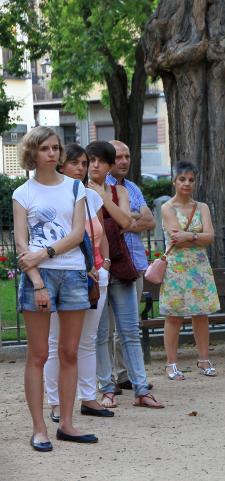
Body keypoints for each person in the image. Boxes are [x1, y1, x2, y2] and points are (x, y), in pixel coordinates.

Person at [12, 126, 97, 450]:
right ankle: (39, 429)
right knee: (38, 354)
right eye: (45, 148)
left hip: (73, 273)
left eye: (55, 147)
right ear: (32, 153)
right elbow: (21, 244)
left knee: (70, 352)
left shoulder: (76, 188)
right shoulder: (23, 193)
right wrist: (36, 282)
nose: (51, 153)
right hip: (39, 278)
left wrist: (45, 252)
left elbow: (78, 235)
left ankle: (69, 424)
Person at [89, 141, 162, 409]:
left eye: (100, 161)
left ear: (107, 166)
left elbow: (126, 222)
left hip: (121, 266)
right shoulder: (79, 190)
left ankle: (141, 388)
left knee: (130, 331)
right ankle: (107, 388)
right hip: (95, 269)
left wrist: (103, 195)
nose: (95, 165)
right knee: (101, 333)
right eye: (91, 160)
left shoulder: (119, 189)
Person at [44, 144, 114, 423]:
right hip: (62, 275)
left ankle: (88, 397)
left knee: (88, 341)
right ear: (61, 165)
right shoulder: (50, 197)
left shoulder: (90, 197)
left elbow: (102, 236)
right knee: (55, 343)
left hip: (96, 276)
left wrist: (104, 265)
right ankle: (56, 402)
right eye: (75, 163)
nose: (81, 168)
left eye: (84, 163)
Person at [160, 160, 220, 380]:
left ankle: (204, 359)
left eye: (191, 180)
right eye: (182, 179)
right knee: (174, 316)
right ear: (174, 181)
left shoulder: (202, 207)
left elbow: (210, 236)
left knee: (201, 313)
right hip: (176, 267)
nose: (186, 184)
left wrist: (191, 236)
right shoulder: (167, 207)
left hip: (199, 267)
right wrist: (197, 237)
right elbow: (177, 239)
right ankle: (171, 363)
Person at [105, 140, 157, 392]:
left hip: (135, 263)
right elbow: (111, 225)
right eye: (118, 157)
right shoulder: (102, 187)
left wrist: (127, 219)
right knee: (109, 326)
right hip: (113, 262)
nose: (124, 161)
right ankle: (111, 376)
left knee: (130, 324)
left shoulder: (133, 187)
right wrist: (129, 218)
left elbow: (150, 221)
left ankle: (125, 374)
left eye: (127, 156)